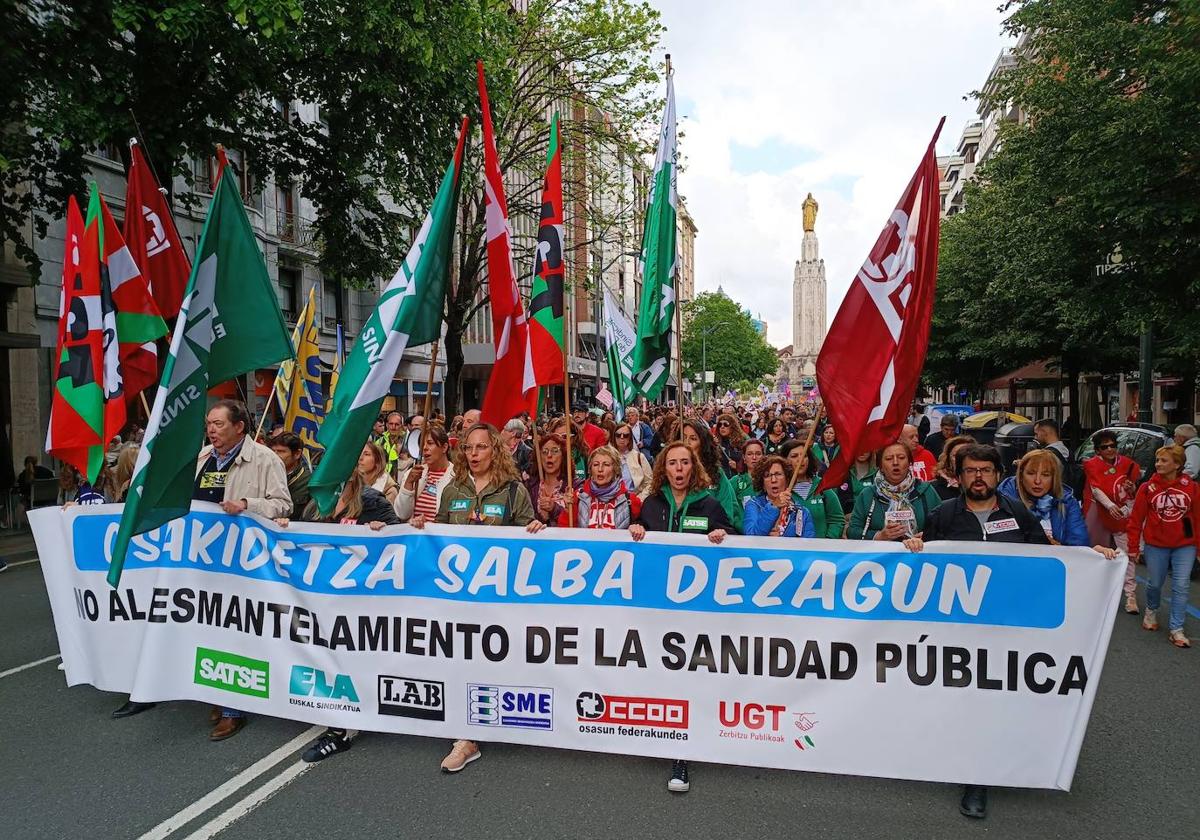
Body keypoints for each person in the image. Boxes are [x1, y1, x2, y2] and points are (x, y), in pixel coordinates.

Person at [110, 400, 292, 729]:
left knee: (233, 633)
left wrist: (247, 504)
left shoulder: (265, 460)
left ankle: (233, 709)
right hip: (197, 560)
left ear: (240, 427)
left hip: (239, 564)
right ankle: (211, 693)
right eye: (209, 423)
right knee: (204, 630)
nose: (211, 429)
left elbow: (282, 505)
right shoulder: (202, 458)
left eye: (219, 424)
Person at [903, 443, 1050, 820]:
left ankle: (978, 776)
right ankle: (966, 763)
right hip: (956, 631)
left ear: (998, 475)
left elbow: (1051, 559)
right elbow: (923, 565)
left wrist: (1097, 558)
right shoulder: (943, 514)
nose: (979, 477)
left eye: (986, 470)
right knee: (962, 700)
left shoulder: (1018, 514)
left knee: (990, 701)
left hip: (1006, 629)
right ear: (960, 476)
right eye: (971, 471)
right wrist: (914, 546)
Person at [411, 422, 543, 771]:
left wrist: (535, 529)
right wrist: (420, 528)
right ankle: (466, 737)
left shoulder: (513, 490)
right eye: (468, 448)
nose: (474, 454)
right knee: (459, 661)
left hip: (499, 599)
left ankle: (497, 720)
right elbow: (437, 533)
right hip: (458, 599)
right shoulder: (452, 489)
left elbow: (531, 540)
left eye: (481, 448)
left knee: (496, 662)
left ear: (495, 450)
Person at [275, 464, 400, 763]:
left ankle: (367, 712)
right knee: (330, 655)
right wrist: (283, 527)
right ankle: (338, 729)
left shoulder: (372, 501)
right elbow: (300, 541)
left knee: (358, 657)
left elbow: (401, 540)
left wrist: (383, 531)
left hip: (363, 600)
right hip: (323, 599)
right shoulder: (316, 503)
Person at [630, 441, 734, 795]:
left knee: (687, 678)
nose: (678, 469)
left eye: (684, 463)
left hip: (695, 611)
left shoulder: (709, 505)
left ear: (693, 468)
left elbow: (736, 540)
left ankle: (681, 751)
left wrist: (723, 536)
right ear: (663, 468)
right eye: (671, 463)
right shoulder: (651, 505)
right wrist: (635, 531)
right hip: (655, 607)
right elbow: (634, 544)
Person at [1127, 444, 1199, 648]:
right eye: (1157, 460)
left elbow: (1198, 518)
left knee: (1181, 585)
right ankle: (1151, 610)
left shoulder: (1192, 487)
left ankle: (1177, 628)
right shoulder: (1146, 488)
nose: (1158, 464)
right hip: (1156, 544)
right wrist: (1133, 547)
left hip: (1185, 544)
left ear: (1177, 464)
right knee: (1155, 583)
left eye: (1164, 460)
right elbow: (1136, 520)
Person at [1082, 429, 1143, 614]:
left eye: (1112, 445)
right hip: (1097, 513)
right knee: (1097, 552)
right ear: (1098, 450)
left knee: (1127, 554)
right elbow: (1096, 489)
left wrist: (1131, 488)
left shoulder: (1128, 464)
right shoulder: (1091, 464)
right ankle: (1096, 592)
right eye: (1104, 446)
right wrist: (1109, 506)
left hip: (1122, 514)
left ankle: (1130, 595)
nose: (1110, 449)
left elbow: (1133, 491)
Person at [848, 442, 941, 541]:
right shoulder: (869, 494)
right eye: (889, 459)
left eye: (901, 458)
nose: (895, 462)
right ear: (880, 466)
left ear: (910, 463)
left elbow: (943, 527)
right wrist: (878, 536)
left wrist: (926, 536)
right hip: (882, 554)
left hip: (919, 553)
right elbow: (852, 531)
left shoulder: (926, 491)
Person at [998, 450, 1093, 547]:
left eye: (1046, 475)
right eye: (1031, 473)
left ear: (1054, 478)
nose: (1037, 481)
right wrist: (1039, 540)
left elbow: (1079, 544)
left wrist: (1059, 549)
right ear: (1021, 475)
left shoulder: (1067, 501)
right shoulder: (1004, 500)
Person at [681, 420, 743, 533]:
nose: (687, 442)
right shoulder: (668, 473)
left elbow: (728, 509)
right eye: (683, 437)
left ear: (703, 444)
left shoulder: (716, 473)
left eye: (693, 438)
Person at [561, 445, 642, 528]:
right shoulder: (578, 497)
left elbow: (643, 529)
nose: (600, 469)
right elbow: (566, 532)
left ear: (616, 469)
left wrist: (637, 528)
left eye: (606, 464)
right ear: (590, 469)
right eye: (595, 465)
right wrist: (568, 510)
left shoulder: (630, 500)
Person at [780, 439, 845, 539]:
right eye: (794, 456)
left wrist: (828, 540)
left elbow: (837, 520)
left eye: (804, 456)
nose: (800, 460)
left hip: (819, 551)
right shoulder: (780, 489)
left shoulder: (822, 486)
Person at [743, 456, 816, 537]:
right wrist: (774, 507)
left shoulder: (802, 512)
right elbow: (751, 537)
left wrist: (782, 542)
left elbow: (807, 545)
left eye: (778, 474)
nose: (773, 480)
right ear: (762, 483)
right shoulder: (753, 505)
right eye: (767, 475)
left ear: (787, 480)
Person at [395, 424, 454, 523]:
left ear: (444, 447)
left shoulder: (457, 476)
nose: (425, 448)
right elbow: (401, 514)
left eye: (430, 443)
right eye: (422, 444)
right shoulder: (412, 474)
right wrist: (409, 483)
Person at [525, 433, 574, 525]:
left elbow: (578, 519)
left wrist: (553, 509)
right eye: (544, 452)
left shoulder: (574, 485)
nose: (549, 455)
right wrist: (541, 517)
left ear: (563, 456)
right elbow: (523, 518)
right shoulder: (529, 486)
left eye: (555, 451)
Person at [269, 432, 311, 519]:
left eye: (281, 451)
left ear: (297, 454)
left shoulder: (309, 482)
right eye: (272, 451)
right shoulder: (263, 475)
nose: (274, 456)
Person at [929, 434, 976, 502]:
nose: (961, 459)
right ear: (948, 460)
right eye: (955, 456)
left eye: (967, 455)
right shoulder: (933, 489)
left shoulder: (985, 485)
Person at [612, 422, 653, 499]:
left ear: (630, 438)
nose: (622, 437)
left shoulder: (639, 457)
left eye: (625, 435)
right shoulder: (608, 456)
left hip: (634, 500)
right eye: (618, 435)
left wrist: (639, 499)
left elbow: (650, 482)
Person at [358, 440, 399, 504]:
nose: (360, 458)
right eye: (359, 453)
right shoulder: (351, 483)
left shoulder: (390, 491)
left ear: (377, 461)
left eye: (367, 454)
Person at [733, 438, 766, 505]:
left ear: (764, 457)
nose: (754, 457)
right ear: (744, 458)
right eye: (749, 454)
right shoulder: (735, 481)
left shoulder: (770, 480)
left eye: (758, 454)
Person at [714, 412, 746, 478]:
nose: (722, 427)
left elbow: (749, 463)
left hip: (739, 480)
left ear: (732, 426)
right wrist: (713, 446)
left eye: (726, 424)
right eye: (720, 425)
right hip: (722, 480)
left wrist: (738, 466)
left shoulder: (742, 442)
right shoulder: (715, 442)